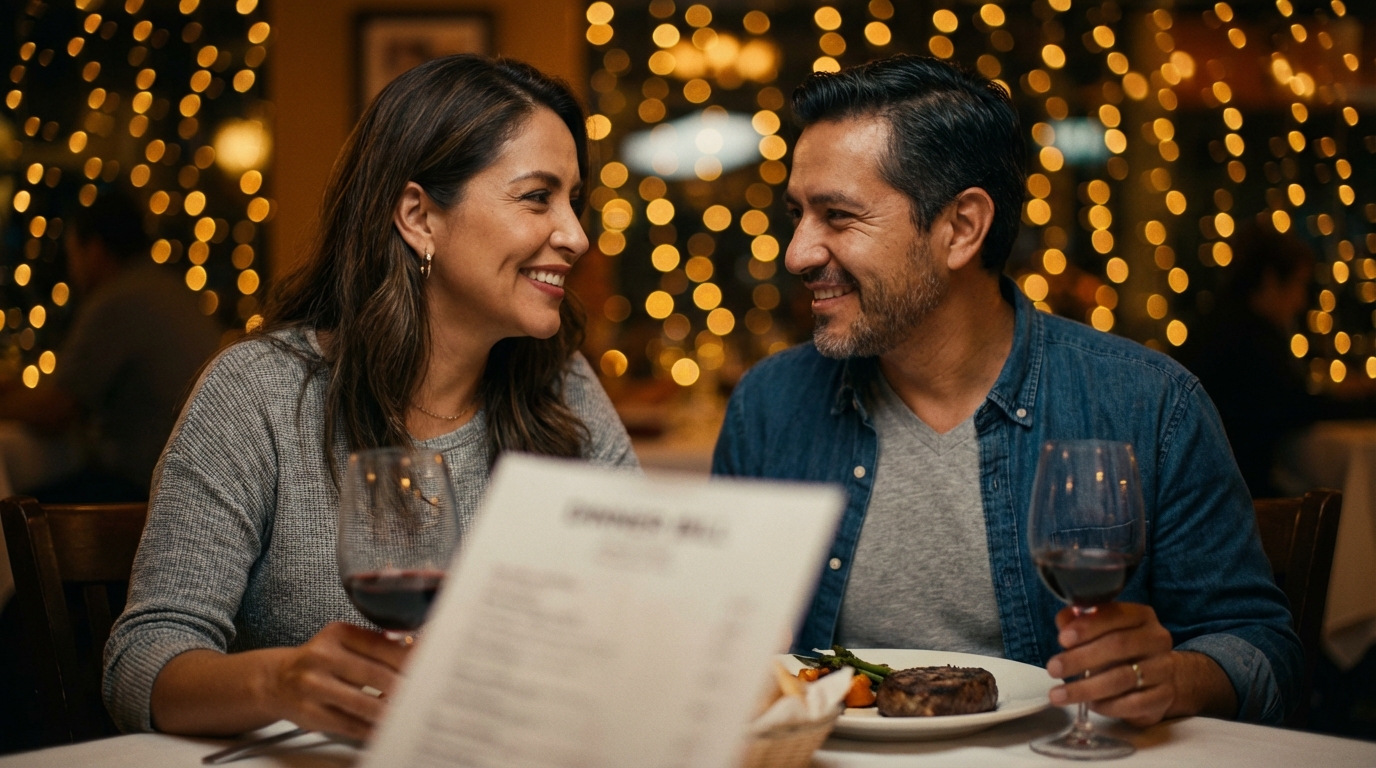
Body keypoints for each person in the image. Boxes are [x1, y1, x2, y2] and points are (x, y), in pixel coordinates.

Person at [712, 55, 1302, 727]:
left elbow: (1263, 648)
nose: (797, 253)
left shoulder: (1148, 404)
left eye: (838, 216)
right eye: (798, 214)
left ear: (962, 227)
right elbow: (722, 650)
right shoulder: (768, 407)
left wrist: (1176, 677)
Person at [103, 55, 638, 739]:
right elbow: (140, 663)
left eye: (574, 202)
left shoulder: (561, 387)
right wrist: (279, 681)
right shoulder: (259, 393)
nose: (576, 235)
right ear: (418, 216)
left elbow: (642, 606)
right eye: (538, 197)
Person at [0, 190, 220, 501]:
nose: (72, 267)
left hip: (146, 486)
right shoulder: (168, 288)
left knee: (17, 514)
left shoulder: (117, 300)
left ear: (95, 250)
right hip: (197, 477)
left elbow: (55, 411)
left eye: (73, 252)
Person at [1182, 226, 1375, 497]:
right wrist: (1363, 399)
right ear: (1270, 279)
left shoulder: (1218, 323)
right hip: (1234, 494)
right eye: (1298, 284)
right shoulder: (1247, 336)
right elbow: (1295, 407)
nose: (1301, 301)